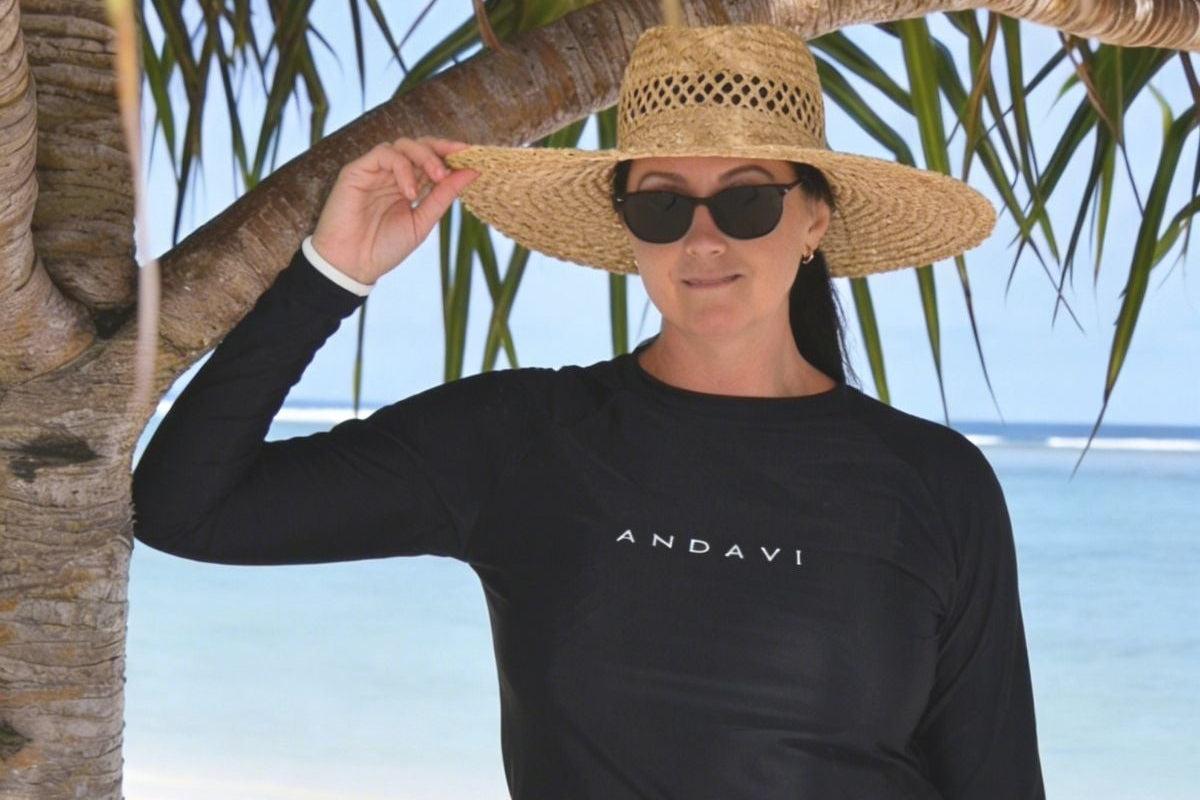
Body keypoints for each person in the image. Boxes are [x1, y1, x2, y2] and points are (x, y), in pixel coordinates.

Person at [133, 23, 1045, 800]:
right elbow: (185, 506)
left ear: (814, 221)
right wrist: (330, 277)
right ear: (627, 232)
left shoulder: (933, 483)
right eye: (661, 206)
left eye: (748, 198)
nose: (704, 237)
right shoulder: (523, 438)